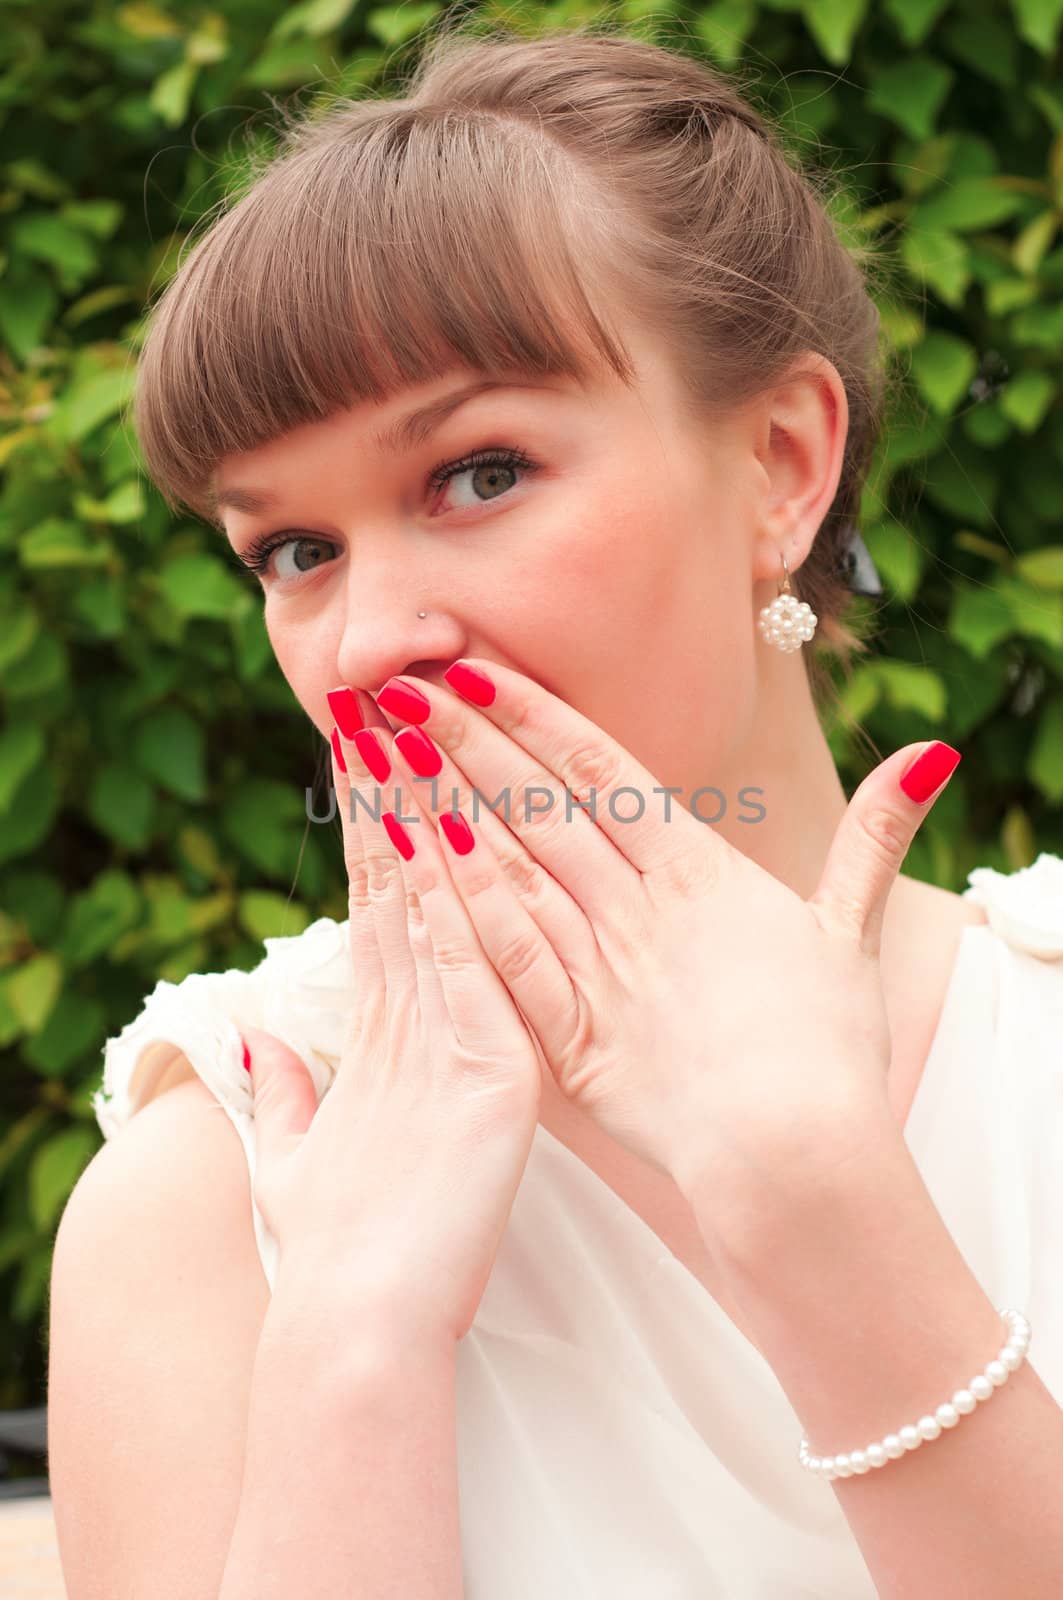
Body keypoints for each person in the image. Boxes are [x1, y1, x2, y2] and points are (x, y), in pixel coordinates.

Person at [47, 19, 1063, 1598]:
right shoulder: (214, 1193)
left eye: (478, 473)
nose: (365, 644)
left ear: (782, 465)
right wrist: (358, 1338)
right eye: (293, 553)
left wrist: (823, 1222)